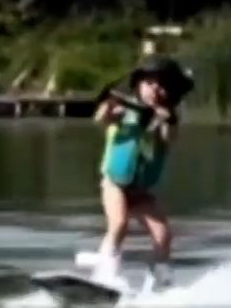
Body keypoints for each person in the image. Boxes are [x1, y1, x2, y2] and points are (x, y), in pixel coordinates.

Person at [77, 55, 192, 293]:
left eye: (162, 85)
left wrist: (166, 119)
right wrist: (109, 107)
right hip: (115, 184)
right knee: (118, 223)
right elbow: (101, 118)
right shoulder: (123, 111)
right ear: (138, 85)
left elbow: (169, 140)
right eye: (150, 84)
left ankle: (159, 281)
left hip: (141, 191)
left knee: (163, 234)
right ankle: (106, 273)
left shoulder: (167, 120)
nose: (155, 90)